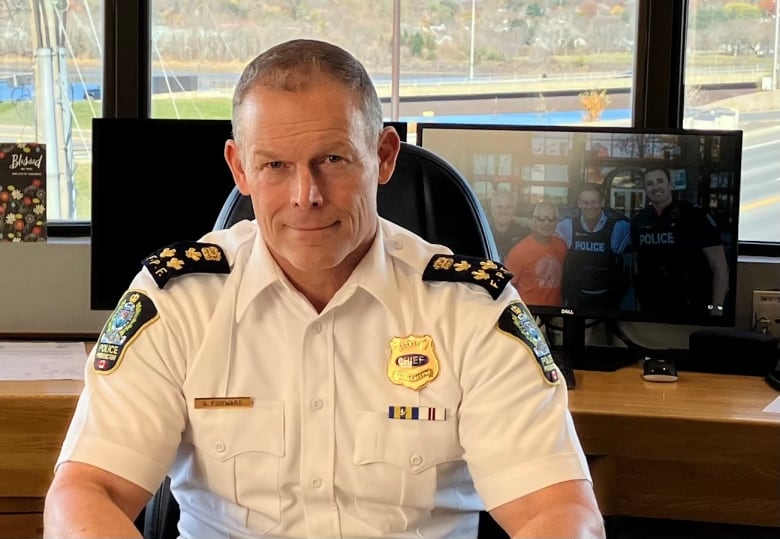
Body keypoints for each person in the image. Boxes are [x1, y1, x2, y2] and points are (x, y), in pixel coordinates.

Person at [43, 39, 604, 539]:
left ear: (383, 156)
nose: (305, 194)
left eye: (332, 160)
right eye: (275, 165)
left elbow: (558, 511)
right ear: (239, 169)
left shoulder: (471, 309)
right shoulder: (178, 302)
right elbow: (84, 494)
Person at [630, 167, 729, 316]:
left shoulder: (695, 215)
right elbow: (638, 266)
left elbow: (719, 266)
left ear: (670, 185)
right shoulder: (638, 221)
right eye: (649, 183)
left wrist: (717, 309)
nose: (655, 187)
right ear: (645, 189)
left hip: (691, 304)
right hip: (652, 306)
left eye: (660, 181)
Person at [555, 184, 631, 311]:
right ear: (579, 203)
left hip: (608, 302)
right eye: (585, 202)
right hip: (576, 301)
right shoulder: (567, 226)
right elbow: (544, 225)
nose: (589, 206)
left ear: (602, 202)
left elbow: (640, 230)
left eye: (593, 202)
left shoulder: (619, 227)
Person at [504, 201, 568, 307]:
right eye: (541, 219)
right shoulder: (519, 251)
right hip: (529, 313)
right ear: (533, 220)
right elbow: (506, 288)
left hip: (556, 313)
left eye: (551, 219)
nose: (546, 223)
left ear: (557, 221)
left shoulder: (561, 246)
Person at [486, 189, 530, 261]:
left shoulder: (523, 235)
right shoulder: (482, 232)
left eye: (508, 207)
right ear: (492, 209)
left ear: (514, 210)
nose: (504, 211)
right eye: (499, 207)